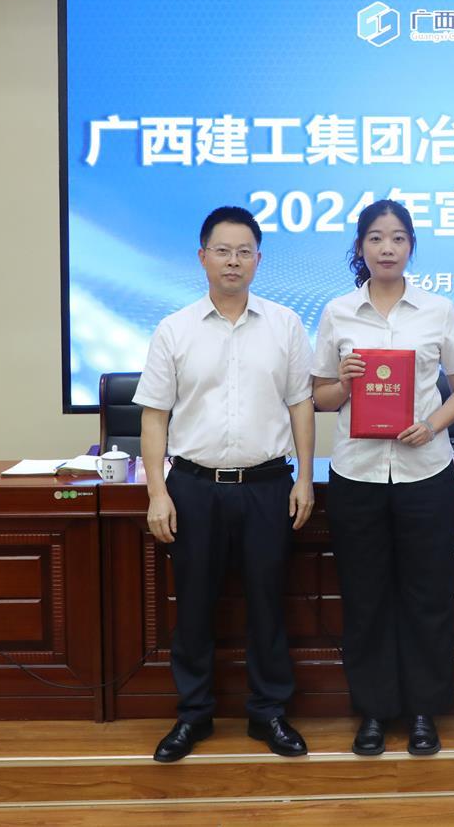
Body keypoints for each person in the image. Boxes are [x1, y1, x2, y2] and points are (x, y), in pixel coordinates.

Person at [134, 205, 315, 763]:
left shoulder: (285, 324)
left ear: (258, 260)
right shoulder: (175, 329)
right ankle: (193, 715)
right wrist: (158, 493)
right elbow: (154, 416)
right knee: (193, 607)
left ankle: (269, 713)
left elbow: (301, 404)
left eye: (244, 252)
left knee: (268, 603)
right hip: (193, 486)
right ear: (202, 257)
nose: (232, 261)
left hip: (267, 484)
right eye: (222, 250)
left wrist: (306, 478)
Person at [312, 198, 454, 756]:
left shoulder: (438, 310)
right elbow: (319, 397)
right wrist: (345, 383)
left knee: (428, 596)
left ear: (411, 247)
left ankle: (424, 710)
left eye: (399, 238)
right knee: (365, 598)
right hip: (356, 473)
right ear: (360, 247)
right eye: (376, 238)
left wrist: (432, 425)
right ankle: (375, 712)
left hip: (425, 472)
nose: (387, 248)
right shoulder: (338, 312)